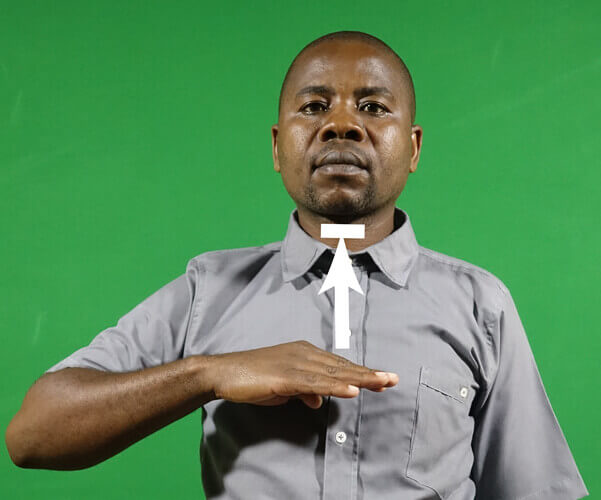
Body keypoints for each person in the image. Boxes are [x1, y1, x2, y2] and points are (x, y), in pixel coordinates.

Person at [5, 30, 589, 500]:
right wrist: (211, 373)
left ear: (412, 148)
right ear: (278, 146)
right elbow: (33, 435)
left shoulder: (480, 305)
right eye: (314, 106)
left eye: (372, 106)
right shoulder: (209, 289)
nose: (342, 123)